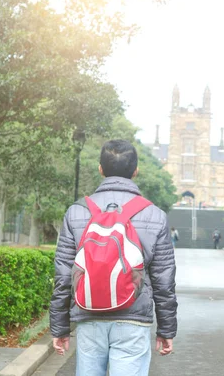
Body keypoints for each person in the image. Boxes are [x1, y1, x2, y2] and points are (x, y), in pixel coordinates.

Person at [50, 140, 178, 376]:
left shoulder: (77, 211)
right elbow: (164, 279)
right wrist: (167, 328)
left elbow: (64, 275)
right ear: (136, 171)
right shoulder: (154, 215)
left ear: (100, 169)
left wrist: (60, 327)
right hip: (134, 316)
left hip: (89, 315)